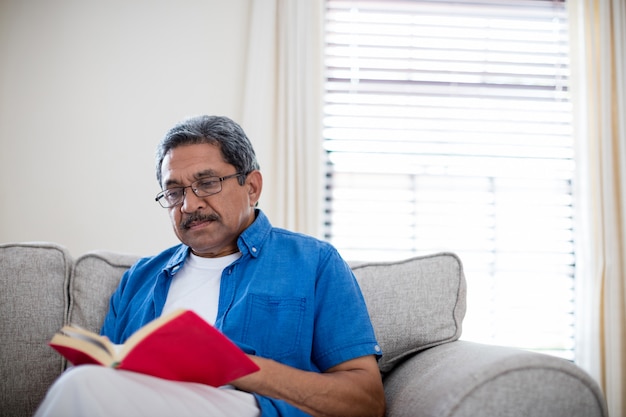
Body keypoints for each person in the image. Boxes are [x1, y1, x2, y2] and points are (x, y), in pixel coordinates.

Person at [34, 115, 385, 417]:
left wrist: (242, 368)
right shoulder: (139, 280)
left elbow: (367, 401)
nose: (188, 204)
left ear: (252, 186)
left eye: (207, 183)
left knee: (81, 385)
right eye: (174, 192)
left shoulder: (313, 263)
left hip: (247, 408)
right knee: (86, 383)